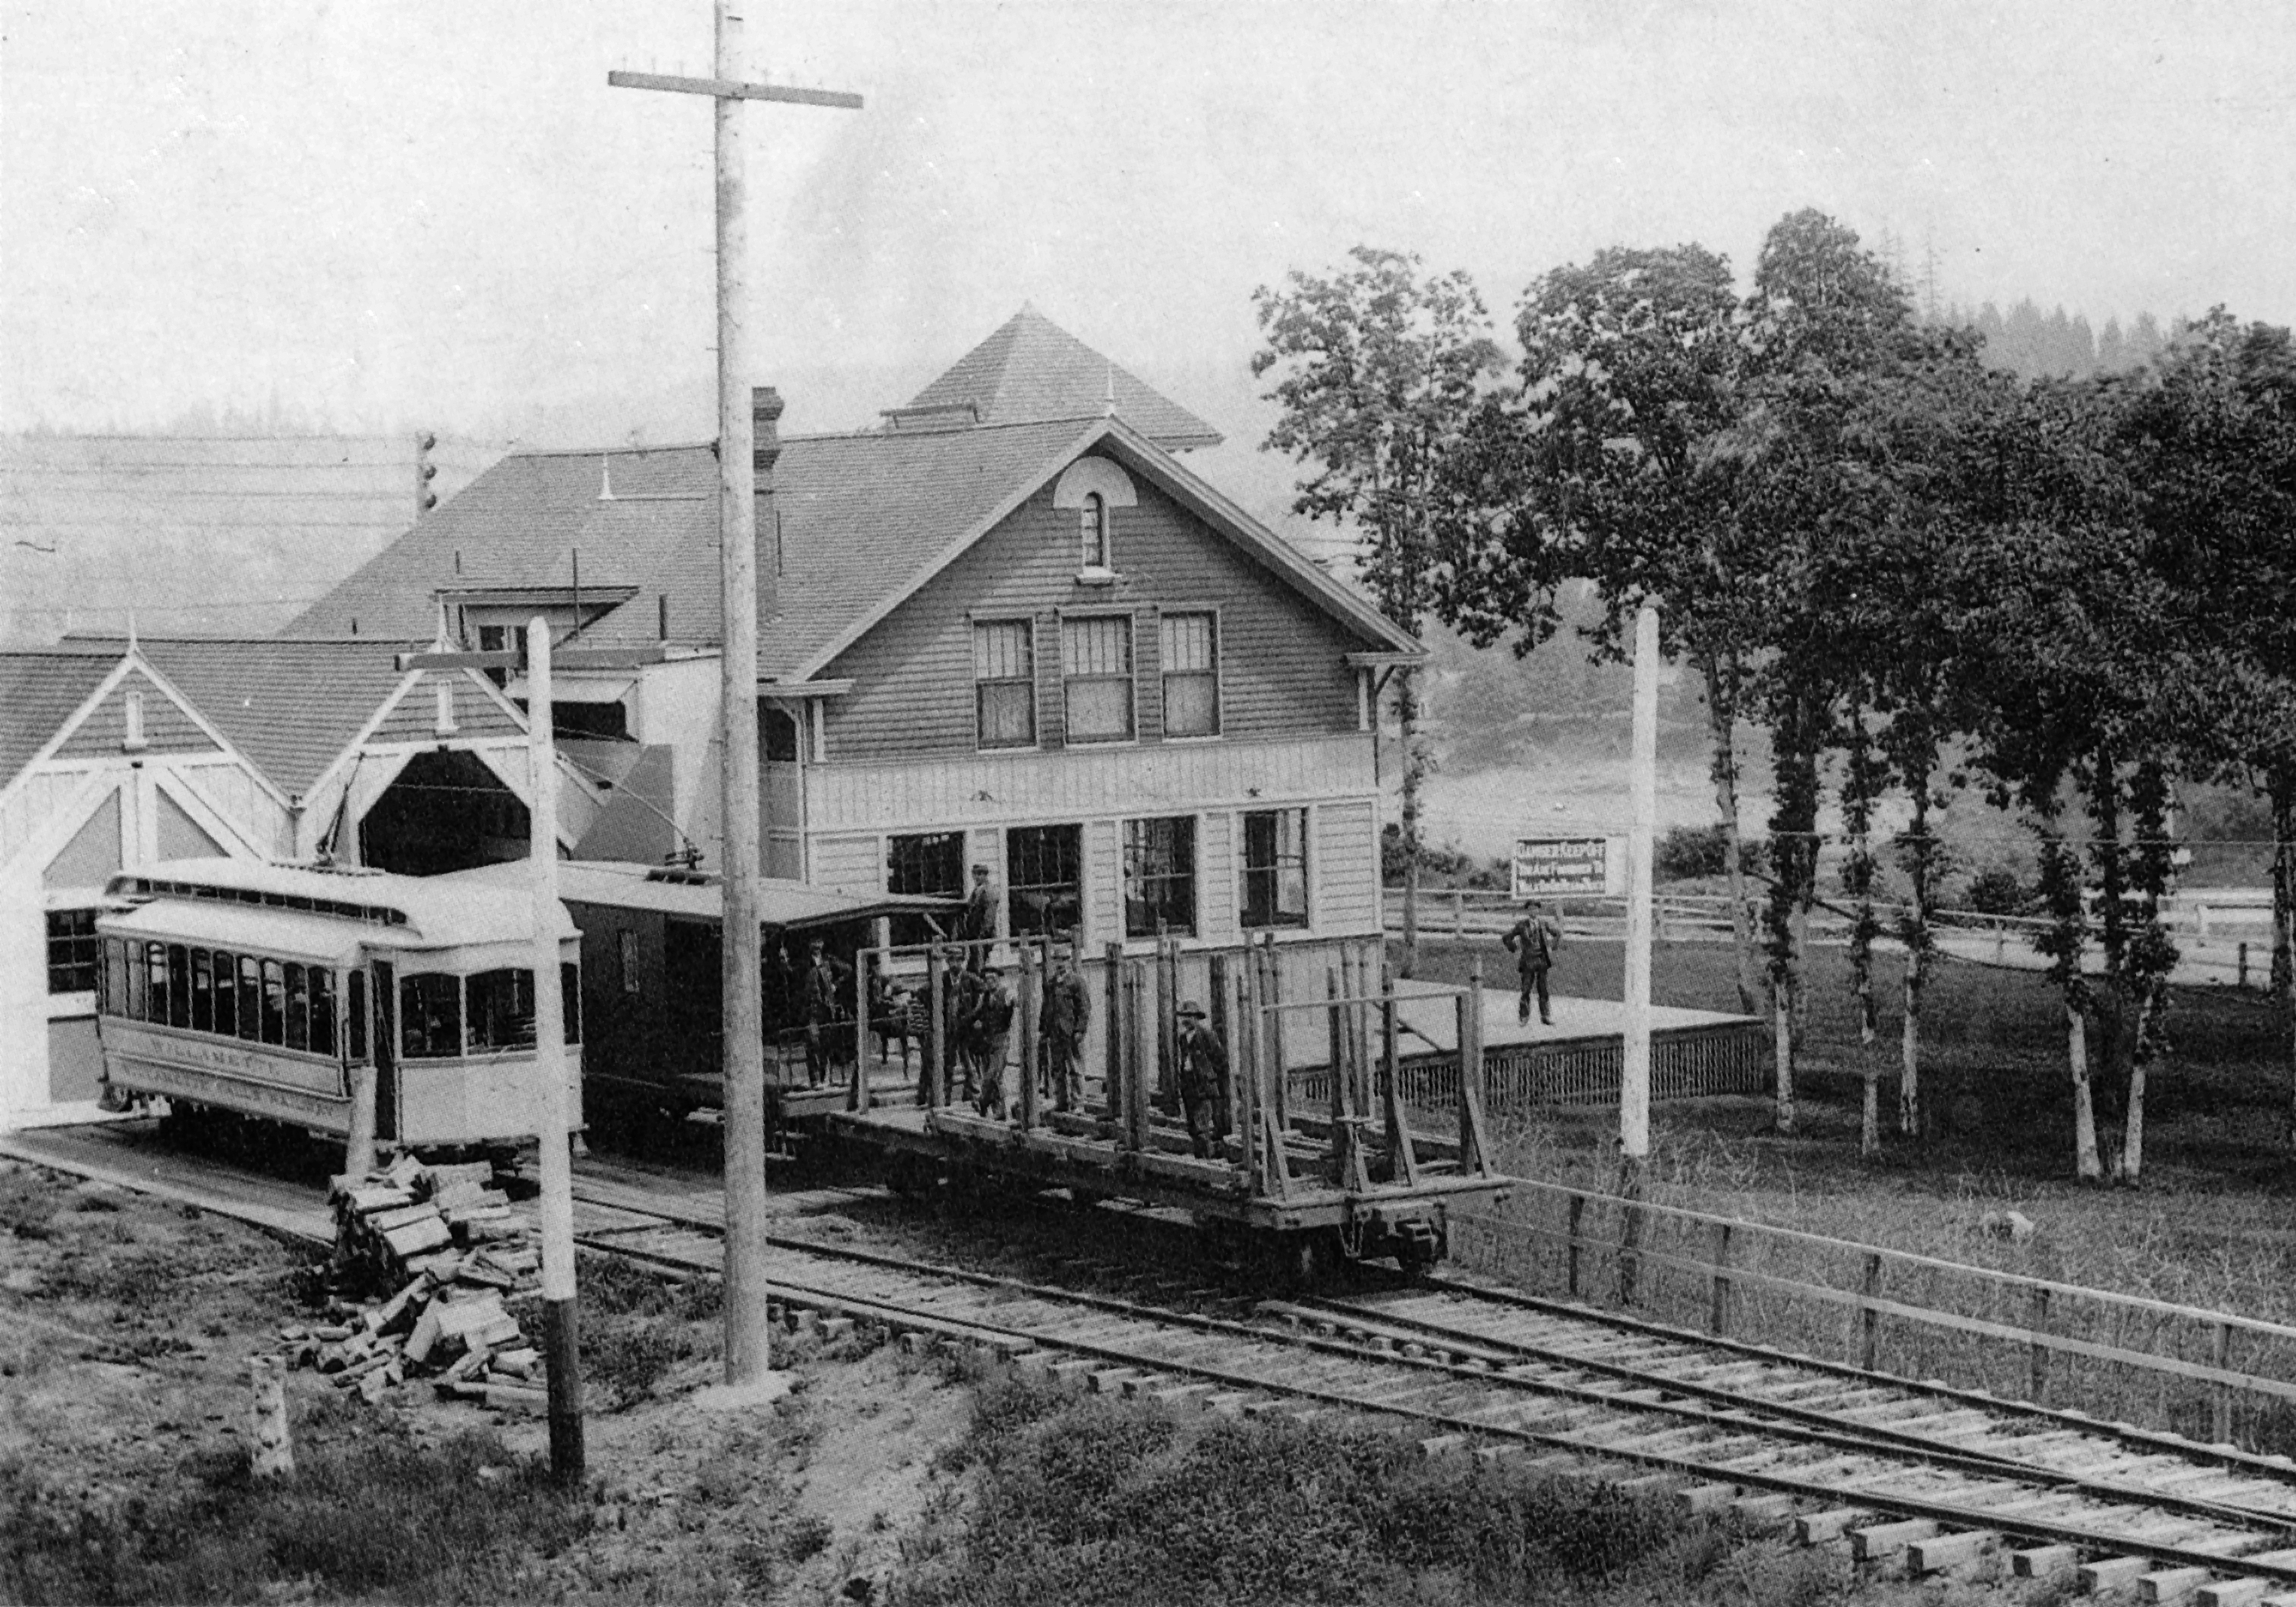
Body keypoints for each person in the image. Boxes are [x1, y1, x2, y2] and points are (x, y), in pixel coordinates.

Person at [1173, 999, 1228, 1159]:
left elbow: (1220, 1060)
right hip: (1188, 1086)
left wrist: (1211, 1077)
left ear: (1197, 1018)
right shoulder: (1183, 1038)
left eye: (1190, 1016)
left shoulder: (1207, 1036)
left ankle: (1207, 1160)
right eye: (1184, 1016)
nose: (1186, 1019)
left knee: (1201, 1127)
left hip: (1203, 1087)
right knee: (1192, 1127)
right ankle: (1199, 1159)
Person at [1040, 943, 1092, 1110]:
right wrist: (1043, 1030)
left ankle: (1078, 1103)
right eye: (1057, 960)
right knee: (1057, 1068)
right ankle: (1061, 1102)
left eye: (1063, 960)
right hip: (1055, 1032)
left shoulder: (1077, 982)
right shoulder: (1051, 984)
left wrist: (1080, 1030)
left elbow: (1084, 1008)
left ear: (1069, 961)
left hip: (1070, 1032)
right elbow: (1046, 1008)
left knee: (1075, 1068)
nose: (1060, 963)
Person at [1501, 898, 1563, 1027]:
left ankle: (1545, 1015)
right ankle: (1524, 1016)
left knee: (1543, 989)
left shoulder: (1543, 924)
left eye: (1535, 909)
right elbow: (1506, 937)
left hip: (1542, 960)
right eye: (1530, 909)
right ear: (1527, 911)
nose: (1533, 911)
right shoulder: (1521, 925)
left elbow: (1557, 933)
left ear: (1539, 910)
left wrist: (1552, 947)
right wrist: (1513, 948)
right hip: (1528, 961)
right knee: (1526, 989)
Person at [967, 966, 1016, 1119]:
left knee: (992, 1075)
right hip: (987, 1041)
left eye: (993, 979)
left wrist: (1016, 999)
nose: (990, 982)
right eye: (987, 979)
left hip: (1001, 1040)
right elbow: (976, 1014)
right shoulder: (984, 997)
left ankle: (982, 1102)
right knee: (995, 1079)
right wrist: (971, 1022)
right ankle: (999, 1111)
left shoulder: (1006, 993)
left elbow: (1016, 1002)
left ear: (998, 979)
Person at [801, 937, 850, 1087]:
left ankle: (824, 1077)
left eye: (819, 943)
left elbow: (848, 969)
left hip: (827, 1009)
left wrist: (835, 985)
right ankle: (814, 1079)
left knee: (826, 1044)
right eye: (814, 943)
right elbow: (793, 976)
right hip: (811, 1009)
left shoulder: (828, 961)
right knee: (812, 1042)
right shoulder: (804, 963)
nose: (816, 946)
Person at [959, 863, 1000, 973]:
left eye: (980, 874)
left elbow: (989, 917)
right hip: (974, 936)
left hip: (983, 937)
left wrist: (982, 935)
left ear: (986, 875)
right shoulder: (977, 891)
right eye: (975, 874)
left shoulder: (989, 891)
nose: (976, 877)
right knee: (972, 966)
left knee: (979, 967)